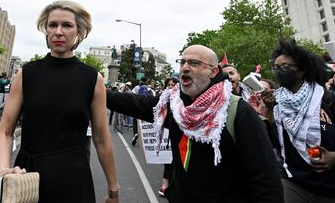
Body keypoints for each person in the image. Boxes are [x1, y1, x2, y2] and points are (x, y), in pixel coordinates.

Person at [107, 45, 283, 203]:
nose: (184, 67)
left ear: (213, 71)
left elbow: (265, 179)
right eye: (182, 62)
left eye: (194, 63)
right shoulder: (175, 105)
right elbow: (135, 103)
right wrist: (97, 90)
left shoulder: (238, 112)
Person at [0, 0, 119, 203]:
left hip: (74, 182)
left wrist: (113, 190)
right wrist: (4, 170)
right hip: (27, 179)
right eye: (53, 25)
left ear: (79, 31)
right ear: (46, 30)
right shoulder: (26, 74)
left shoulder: (93, 79)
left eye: (67, 25)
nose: (58, 32)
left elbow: (102, 139)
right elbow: (5, 131)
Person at [267, 39, 335, 203]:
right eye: (276, 68)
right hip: (295, 183)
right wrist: (269, 110)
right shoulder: (278, 104)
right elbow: (276, 143)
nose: (279, 71)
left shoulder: (330, 100)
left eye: (285, 67)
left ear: (302, 70)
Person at [158, 77, 179, 197]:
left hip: (178, 133)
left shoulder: (181, 99)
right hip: (166, 132)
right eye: (168, 85)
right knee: (167, 158)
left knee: (176, 159)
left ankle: (173, 183)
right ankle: (165, 182)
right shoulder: (161, 99)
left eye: (173, 84)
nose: (170, 86)